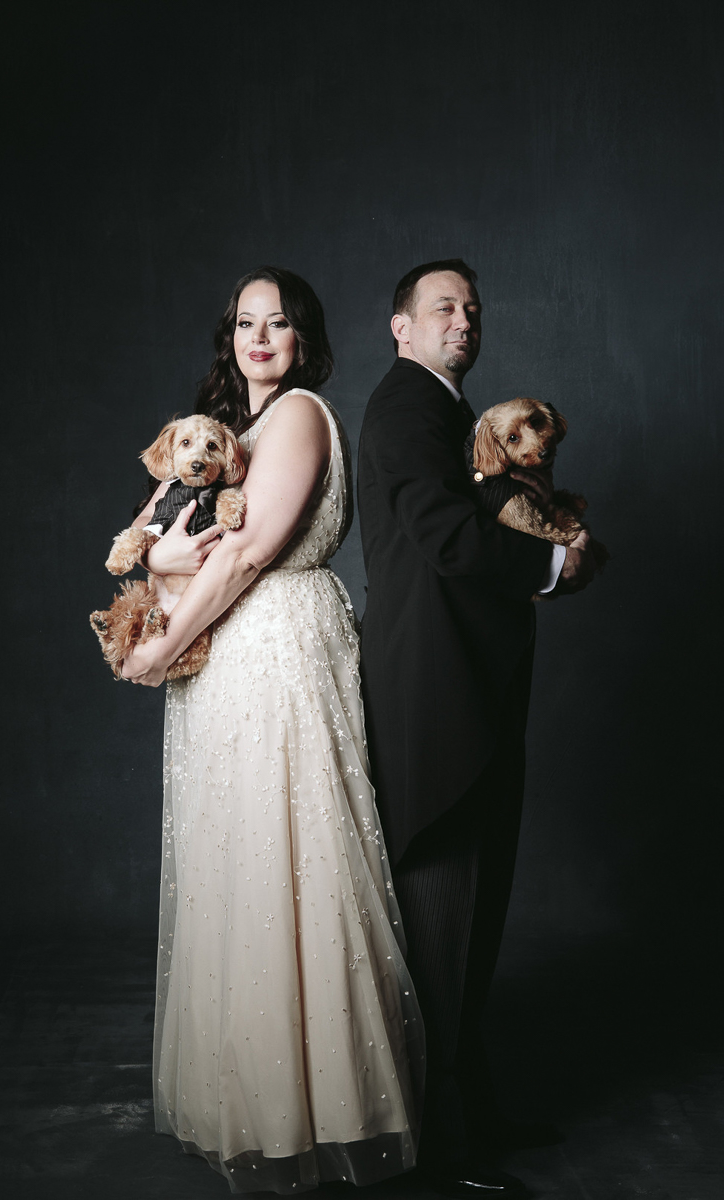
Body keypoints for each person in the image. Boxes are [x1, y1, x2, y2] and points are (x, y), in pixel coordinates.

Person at [121, 267, 424, 1194]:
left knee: (290, 861)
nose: (261, 338)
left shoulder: (296, 414)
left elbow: (252, 551)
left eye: (279, 323)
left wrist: (164, 641)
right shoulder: (223, 432)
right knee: (237, 863)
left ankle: (323, 1105)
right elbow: (150, 536)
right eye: (246, 323)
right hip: (231, 656)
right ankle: (253, 1094)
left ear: (303, 339)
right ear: (231, 337)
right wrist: (164, 557)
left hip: (278, 645)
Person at [357, 259, 597, 1199]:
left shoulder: (454, 414)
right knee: (442, 926)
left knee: (472, 919)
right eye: (443, 308)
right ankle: (443, 1142)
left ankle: (475, 1112)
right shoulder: (406, 410)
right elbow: (445, 540)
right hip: (435, 699)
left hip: (471, 693)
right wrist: (554, 567)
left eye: (473, 309)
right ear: (402, 329)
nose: (464, 320)